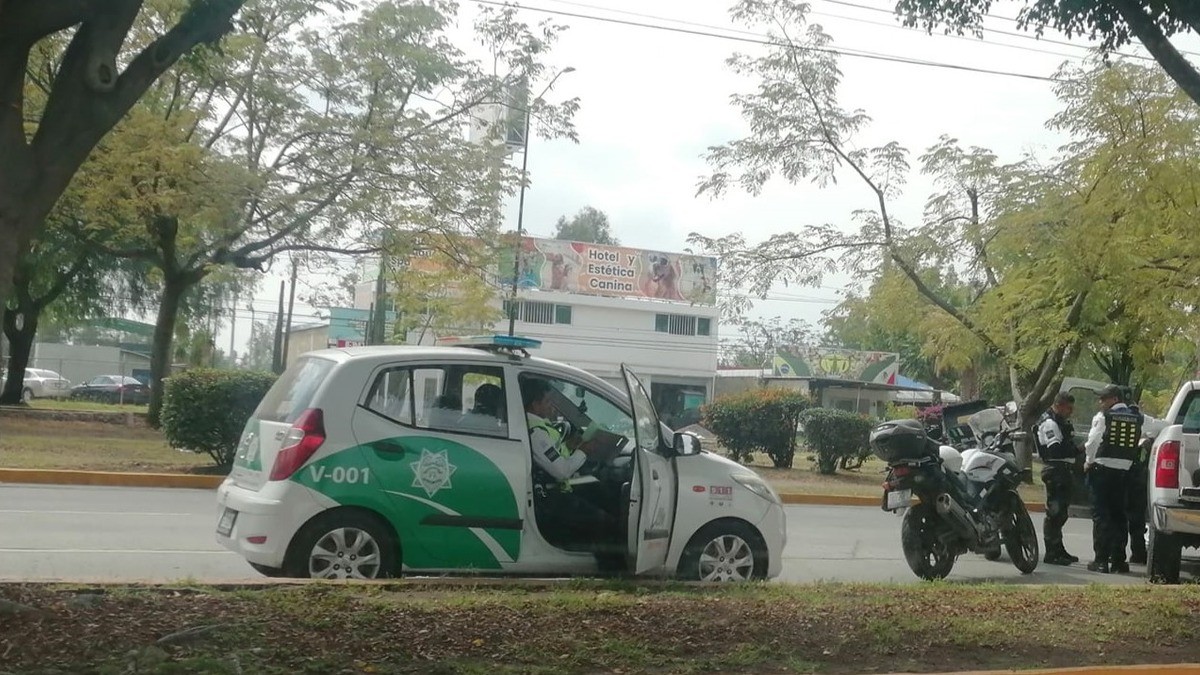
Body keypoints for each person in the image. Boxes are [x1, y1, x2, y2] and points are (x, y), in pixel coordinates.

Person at [521, 377, 623, 571]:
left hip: (556, 489)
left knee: (599, 494)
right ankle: (612, 571)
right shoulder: (536, 432)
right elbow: (562, 471)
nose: (551, 406)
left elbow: (552, 457)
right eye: (547, 401)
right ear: (535, 404)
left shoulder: (539, 427)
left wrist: (571, 446)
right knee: (603, 522)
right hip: (550, 496)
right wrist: (585, 450)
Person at [1084, 384, 1144, 574]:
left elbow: (1093, 442)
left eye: (1103, 398)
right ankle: (1119, 562)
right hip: (1123, 473)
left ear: (1114, 399)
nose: (1100, 402)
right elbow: (1155, 429)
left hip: (1101, 470)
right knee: (1119, 517)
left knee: (1101, 516)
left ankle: (1101, 561)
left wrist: (1088, 461)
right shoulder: (1137, 418)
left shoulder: (1103, 417)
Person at [1035, 391, 1081, 565]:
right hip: (1055, 470)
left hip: (1062, 470)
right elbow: (1055, 450)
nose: (1070, 412)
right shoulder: (1049, 423)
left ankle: (1059, 549)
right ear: (1059, 405)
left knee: (1061, 513)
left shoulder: (1059, 422)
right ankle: (1051, 553)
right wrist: (1078, 450)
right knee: (1055, 512)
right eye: (1068, 408)